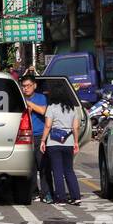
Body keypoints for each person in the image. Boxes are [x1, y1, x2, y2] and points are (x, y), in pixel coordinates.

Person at [41, 81, 82, 205]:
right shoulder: (72, 108)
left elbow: (48, 125)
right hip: (68, 142)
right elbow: (76, 128)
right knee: (69, 170)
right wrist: (76, 142)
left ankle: (61, 197)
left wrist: (43, 140)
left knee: (57, 170)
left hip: (54, 142)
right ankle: (76, 196)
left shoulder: (51, 108)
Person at [19, 74, 53, 203]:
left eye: (28, 86)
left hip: (39, 136)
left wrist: (29, 104)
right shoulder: (20, 98)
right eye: (24, 86)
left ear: (34, 86)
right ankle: (34, 192)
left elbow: (43, 111)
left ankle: (47, 193)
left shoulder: (40, 97)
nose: (26, 89)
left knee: (44, 166)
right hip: (25, 136)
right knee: (30, 167)